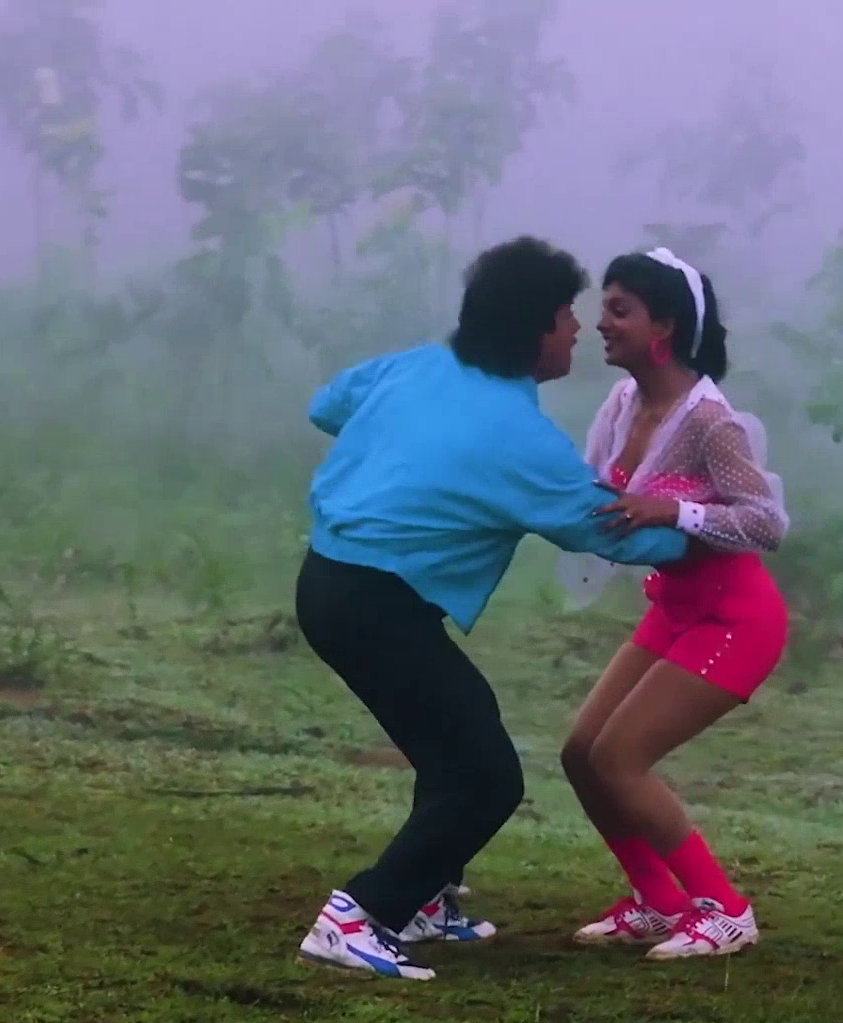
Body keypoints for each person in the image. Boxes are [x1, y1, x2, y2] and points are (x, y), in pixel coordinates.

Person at [293, 237, 693, 981]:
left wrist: (405, 445)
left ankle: (423, 900)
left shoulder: (417, 367)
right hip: (374, 605)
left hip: (327, 579)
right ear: (532, 330)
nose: (578, 329)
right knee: (485, 778)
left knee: (458, 734)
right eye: (565, 314)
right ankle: (360, 917)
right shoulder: (519, 439)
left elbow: (327, 406)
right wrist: (712, 531)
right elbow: (609, 529)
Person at [556, 248, 789, 960]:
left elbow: (766, 522)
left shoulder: (709, 422)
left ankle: (726, 910)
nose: (601, 323)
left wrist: (674, 513)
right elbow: (595, 491)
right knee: (581, 754)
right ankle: (658, 901)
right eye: (603, 307)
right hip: (676, 609)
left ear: (664, 327)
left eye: (619, 310)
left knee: (619, 757)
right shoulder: (623, 403)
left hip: (737, 619)